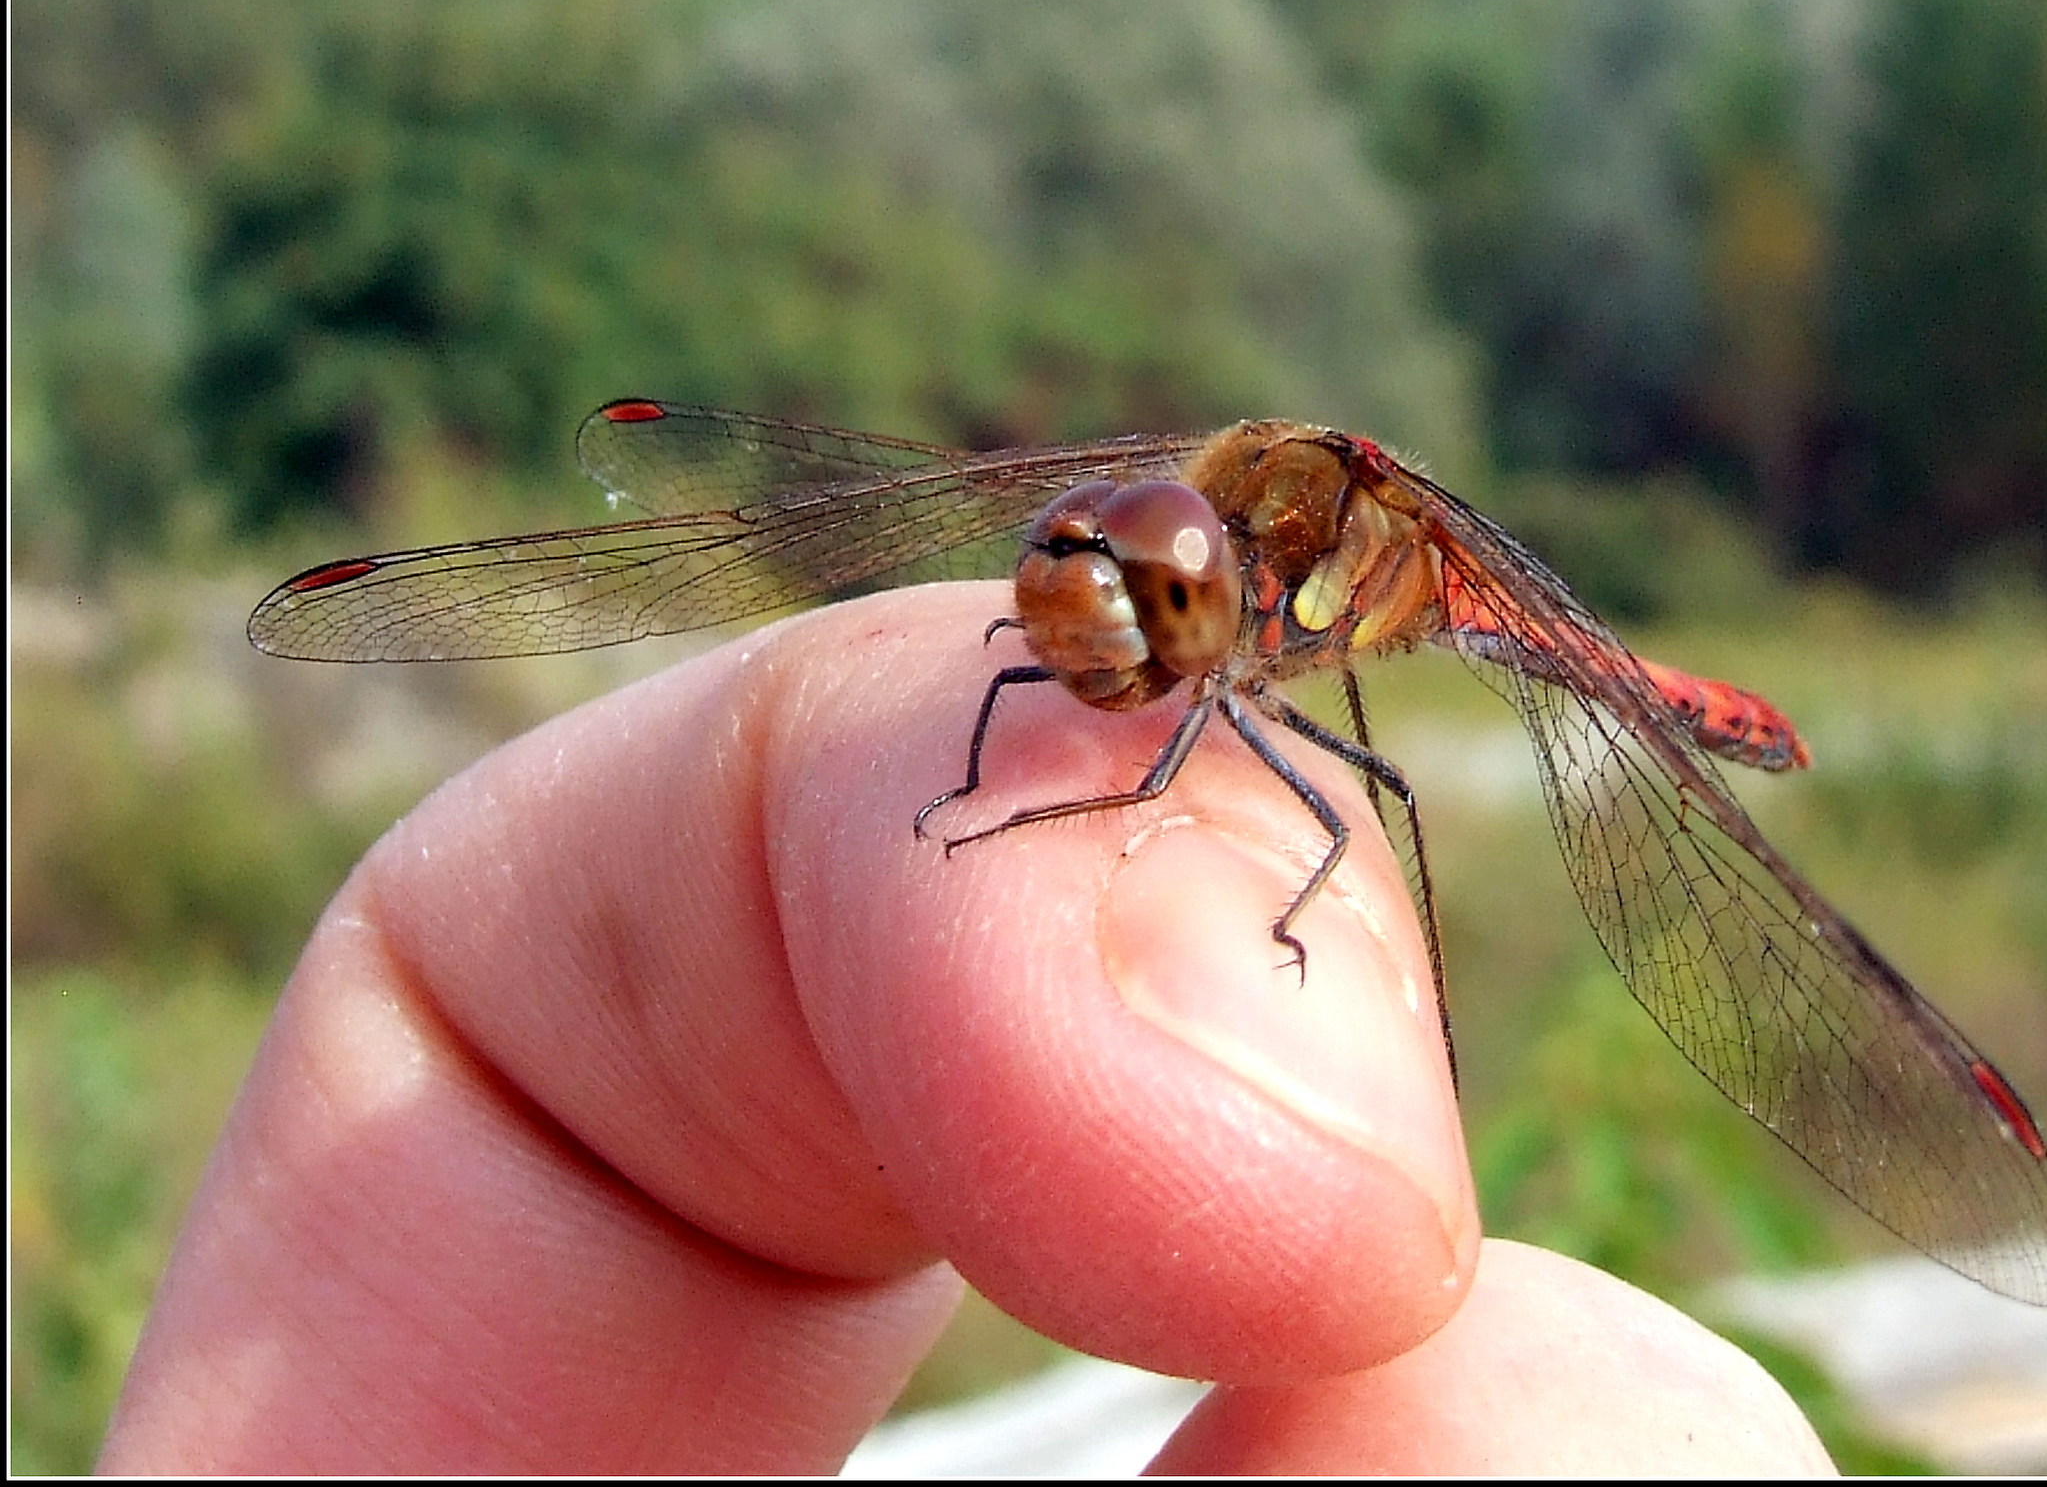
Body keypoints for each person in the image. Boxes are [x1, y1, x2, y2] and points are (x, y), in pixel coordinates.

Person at [99, 583, 1832, 1474]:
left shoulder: (1319, 598)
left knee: (1330, 813)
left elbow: (1354, 800)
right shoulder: (1180, 571)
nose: (1088, 601)